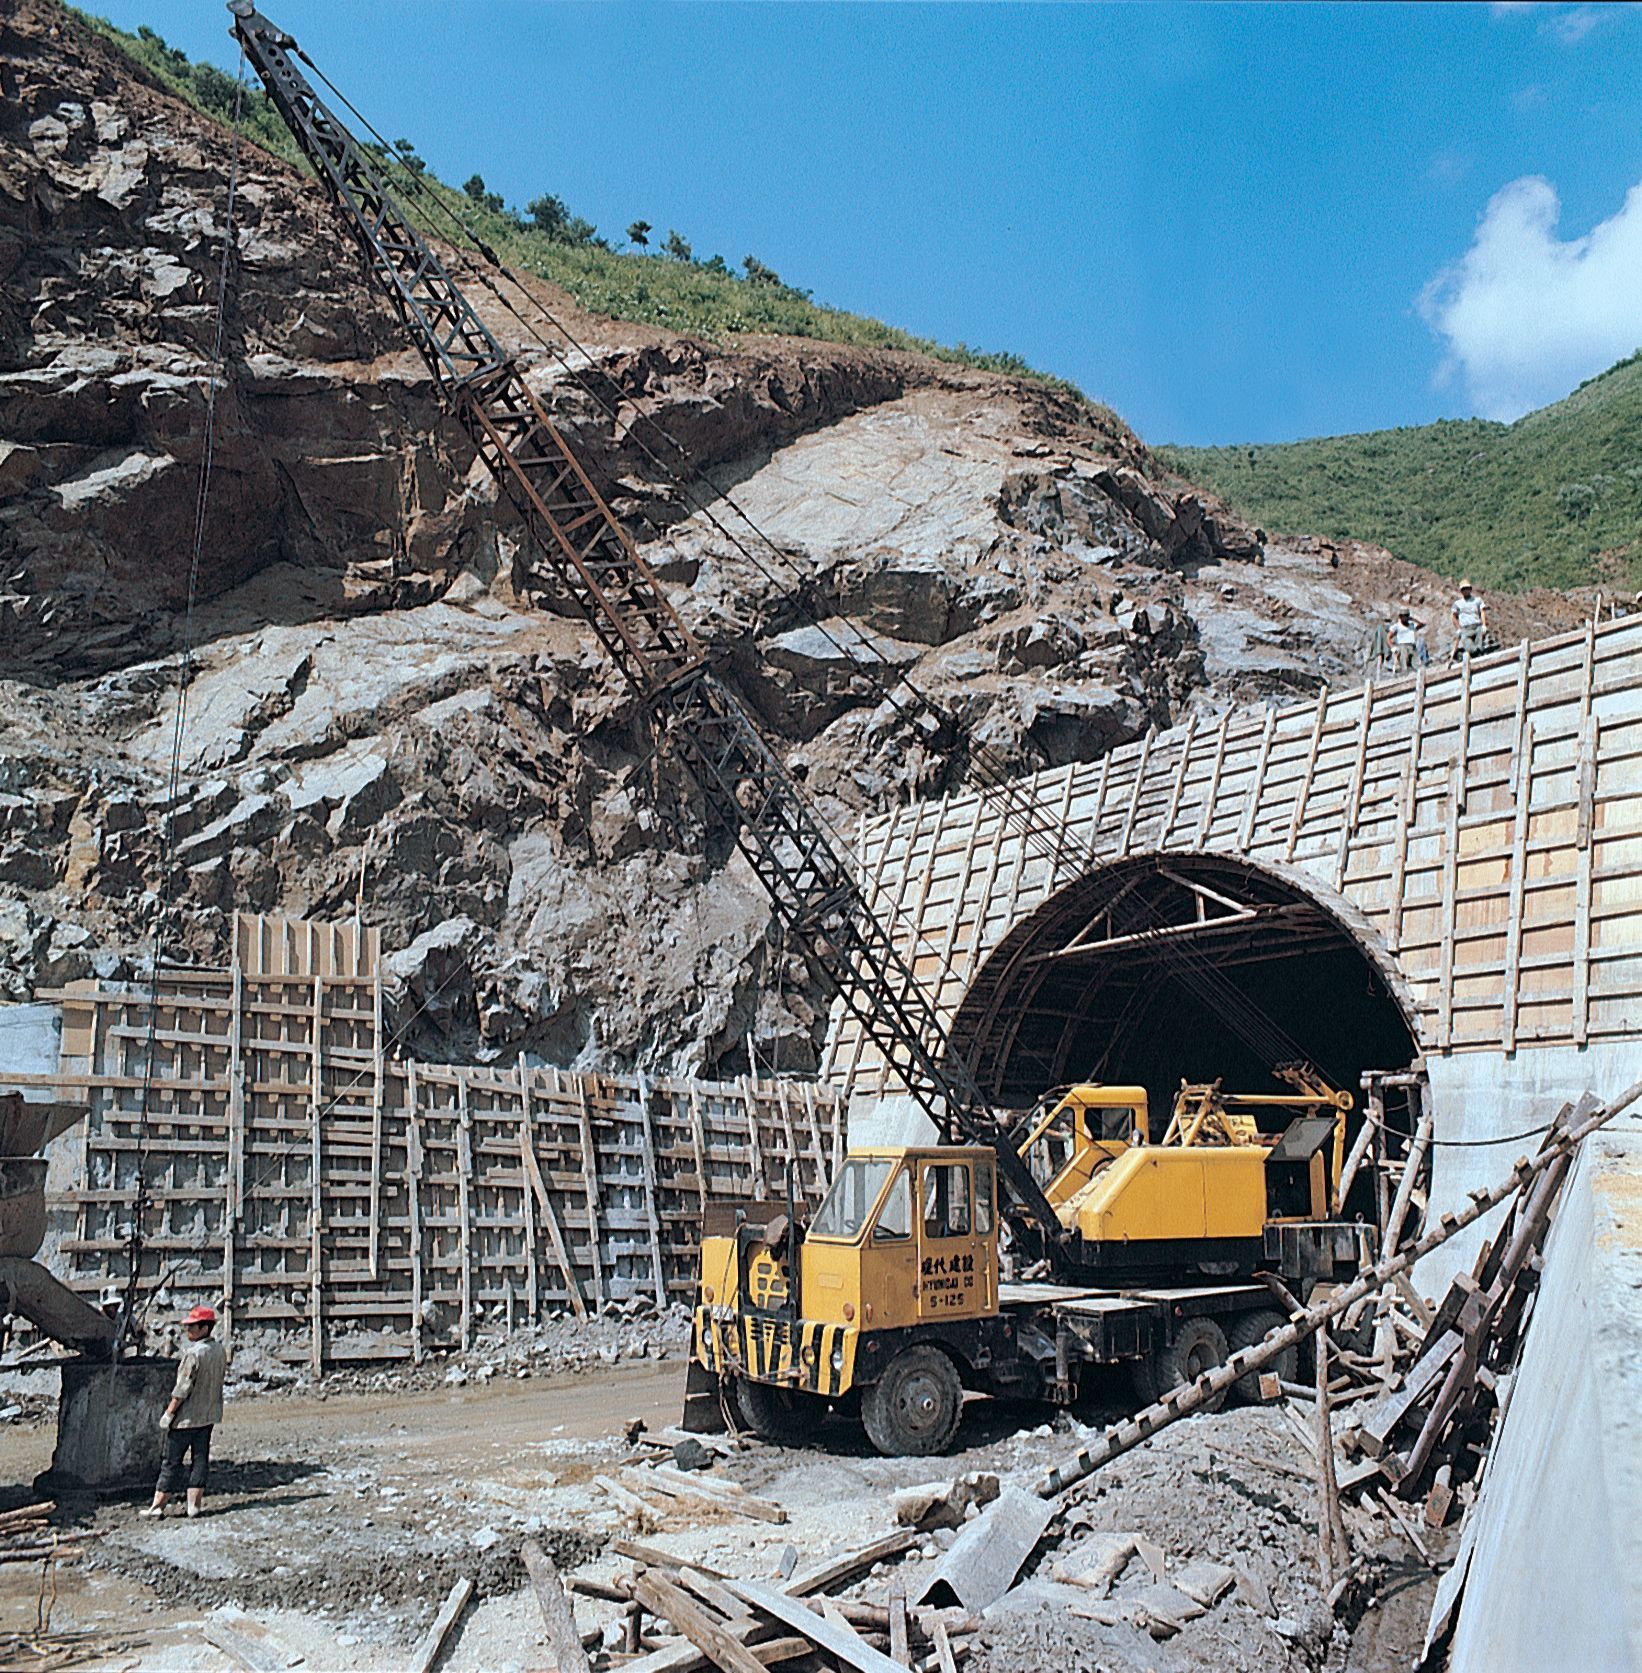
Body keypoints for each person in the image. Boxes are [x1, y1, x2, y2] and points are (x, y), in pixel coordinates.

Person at [140, 1305, 226, 1520]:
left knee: (171, 1462)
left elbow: (183, 1388)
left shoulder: (193, 1354)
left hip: (186, 1419)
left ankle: (157, 1506)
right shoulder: (219, 1351)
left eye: (192, 1327)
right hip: (207, 1415)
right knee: (200, 1460)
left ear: (204, 1328)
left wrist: (169, 1412)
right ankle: (194, 1506)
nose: (188, 1331)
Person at [1451, 579, 1489, 659]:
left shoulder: (1477, 600)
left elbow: (1482, 612)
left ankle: (1479, 660)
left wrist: (1484, 625)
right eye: (1463, 589)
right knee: (1470, 648)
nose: (1465, 591)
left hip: (1477, 627)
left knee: (1479, 647)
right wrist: (1458, 629)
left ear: (1470, 589)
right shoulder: (1457, 604)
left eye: (1467, 588)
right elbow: (1453, 616)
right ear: (1461, 591)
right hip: (1465, 629)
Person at [1390, 607, 1424, 674]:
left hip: (1412, 646)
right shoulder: (1397, 626)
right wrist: (1392, 647)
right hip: (1403, 646)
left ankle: (1418, 675)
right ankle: (1404, 676)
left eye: (1406, 615)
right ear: (1400, 616)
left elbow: (1421, 625)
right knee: (1404, 664)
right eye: (1403, 616)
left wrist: (1413, 619)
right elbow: (1388, 637)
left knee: (1417, 663)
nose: (1405, 617)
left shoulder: (1411, 625)